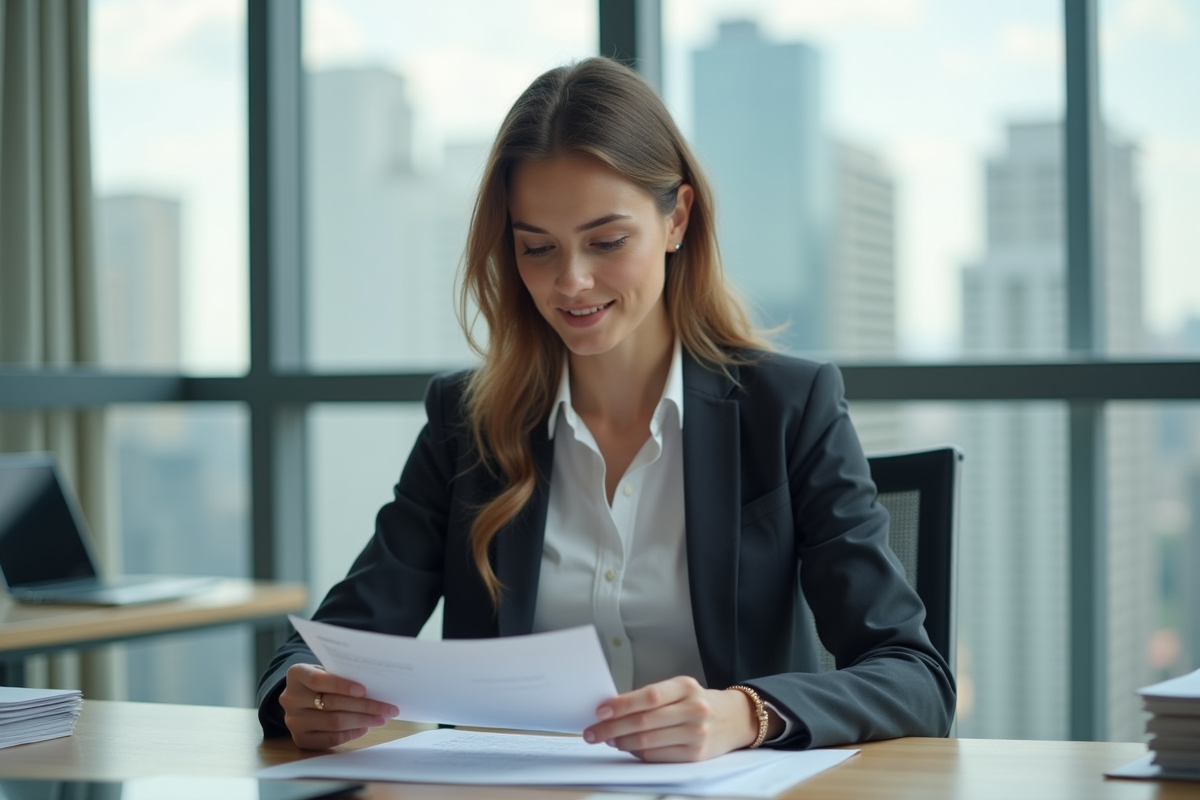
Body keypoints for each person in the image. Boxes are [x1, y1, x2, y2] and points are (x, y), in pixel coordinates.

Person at [257, 56, 955, 762]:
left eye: (607, 241)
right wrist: (300, 696)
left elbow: (914, 677)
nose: (571, 281)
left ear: (676, 217)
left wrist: (744, 715)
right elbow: (324, 644)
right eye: (537, 248)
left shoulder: (788, 408)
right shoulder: (464, 422)